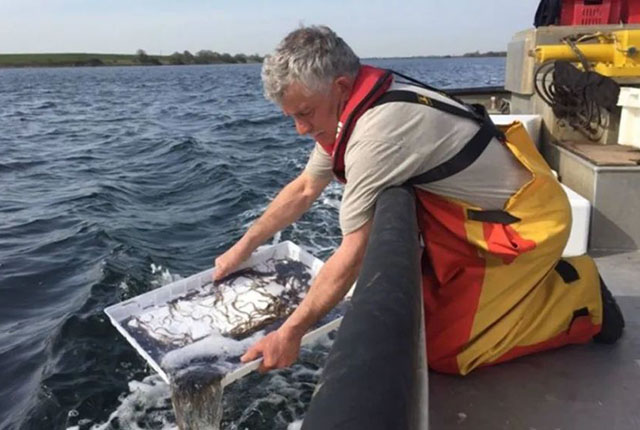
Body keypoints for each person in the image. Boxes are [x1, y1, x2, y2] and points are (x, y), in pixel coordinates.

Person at [213, 25, 625, 375]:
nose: (301, 129)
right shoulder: (347, 108)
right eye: (292, 118)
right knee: (424, 316)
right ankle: (543, 287)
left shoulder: (376, 134)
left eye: (305, 113)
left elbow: (354, 252)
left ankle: (582, 297)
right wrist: (240, 250)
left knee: (445, 351)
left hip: (522, 225)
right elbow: (305, 188)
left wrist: (291, 332)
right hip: (478, 216)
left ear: (339, 87)